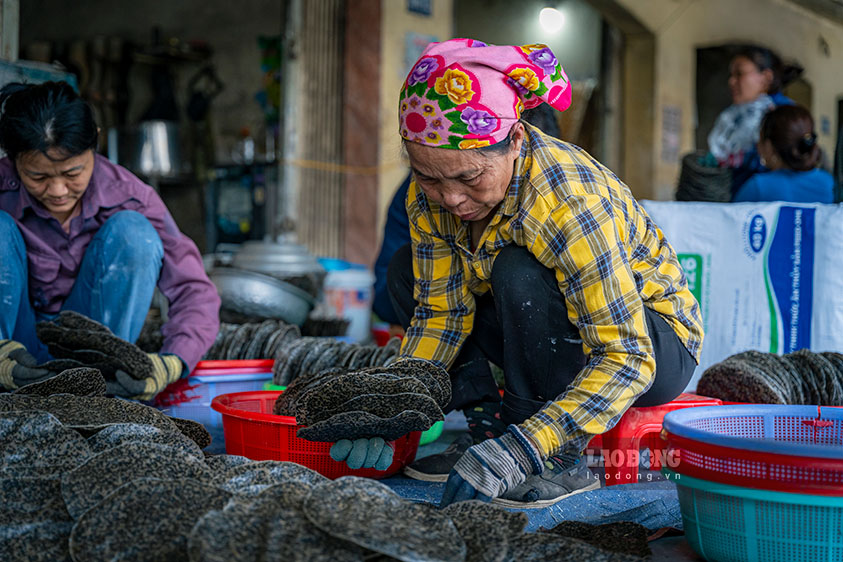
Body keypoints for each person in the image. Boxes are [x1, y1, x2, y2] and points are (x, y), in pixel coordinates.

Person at [335, 39, 704, 508]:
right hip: (556, 338)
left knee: (518, 266)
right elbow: (440, 316)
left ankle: (555, 456)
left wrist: (525, 448)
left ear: (514, 141)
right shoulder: (427, 198)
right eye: (429, 176)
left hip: (651, 349)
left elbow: (627, 357)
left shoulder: (568, 203)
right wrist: (394, 407)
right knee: (406, 270)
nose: (449, 198)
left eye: (469, 177)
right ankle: (488, 431)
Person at [0, 81, 220, 398]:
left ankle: (103, 393)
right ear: (13, 160)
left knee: (135, 234)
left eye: (73, 173)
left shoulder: (132, 197)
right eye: (39, 177)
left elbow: (194, 290)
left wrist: (173, 362)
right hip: (11, 357)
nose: (58, 191)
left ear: (95, 145)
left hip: (94, 363)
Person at [707, 45, 803, 193]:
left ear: (766, 78)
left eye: (739, 74)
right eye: (731, 75)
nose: (731, 82)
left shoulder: (785, 115)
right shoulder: (734, 116)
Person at [732, 105, 833, 203]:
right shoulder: (829, 183)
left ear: (768, 146)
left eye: (760, 137)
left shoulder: (758, 188)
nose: (757, 143)